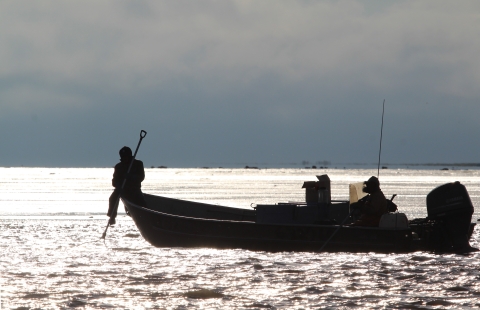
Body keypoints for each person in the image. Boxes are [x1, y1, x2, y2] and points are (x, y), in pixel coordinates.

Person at [107, 146, 146, 225]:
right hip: (122, 190)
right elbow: (114, 181)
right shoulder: (119, 167)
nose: (125, 158)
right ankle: (112, 217)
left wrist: (131, 177)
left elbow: (141, 177)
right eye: (123, 157)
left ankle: (145, 216)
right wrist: (118, 186)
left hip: (134, 189)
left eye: (126, 157)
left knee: (141, 203)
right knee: (112, 198)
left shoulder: (138, 164)